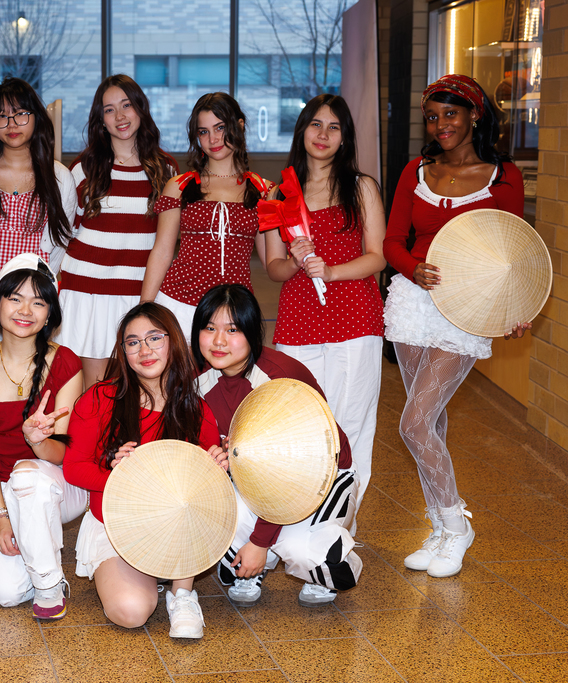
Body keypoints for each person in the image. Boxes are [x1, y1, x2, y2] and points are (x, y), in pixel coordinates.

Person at [383, 74, 529, 578]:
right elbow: (392, 242)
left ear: (474, 116)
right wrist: (410, 269)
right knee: (434, 422)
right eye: (432, 116)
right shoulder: (416, 171)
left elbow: (515, 253)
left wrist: (515, 309)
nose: (440, 125)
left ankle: (456, 524)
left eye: (450, 114)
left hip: (465, 310)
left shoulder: (504, 177)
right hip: (411, 304)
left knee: (414, 423)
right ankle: (439, 530)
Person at [63, 302, 227, 638]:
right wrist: (119, 476)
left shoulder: (195, 408)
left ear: (174, 342)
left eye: (154, 338)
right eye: (133, 342)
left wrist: (217, 468)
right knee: (131, 611)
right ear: (123, 352)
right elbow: (73, 469)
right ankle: (152, 578)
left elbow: (205, 485)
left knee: (190, 504)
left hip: (176, 527)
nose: (145, 350)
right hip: (117, 524)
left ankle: (182, 593)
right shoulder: (99, 399)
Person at [192, 284, 361, 608]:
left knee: (304, 551)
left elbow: (292, 475)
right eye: (209, 328)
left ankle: (325, 560)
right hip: (252, 478)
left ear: (254, 332)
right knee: (209, 508)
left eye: (232, 329)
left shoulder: (280, 378)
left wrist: (259, 542)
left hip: (319, 478)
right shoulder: (198, 379)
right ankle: (257, 560)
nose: (218, 341)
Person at [263, 94, 386, 522]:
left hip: (355, 316)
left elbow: (378, 256)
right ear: (301, 130)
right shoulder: (280, 194)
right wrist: (296, 259)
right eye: (316, 124)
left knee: (349, 425)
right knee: (300, 425)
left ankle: (337, 531)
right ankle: (295, 521)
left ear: (344, 138)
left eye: (334, 127)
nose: (323, 134)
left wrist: (330, 272)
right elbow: (273, 268)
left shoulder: (361, 187)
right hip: (298, 320)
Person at [0, 255, 86, 619]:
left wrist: (35, 441)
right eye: (15, 298)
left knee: (28, 474)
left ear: (50, 314)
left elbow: (62, 454)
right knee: (5, 593)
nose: (25, 309)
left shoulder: (66, 362)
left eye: (38, 301)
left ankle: (49, 584)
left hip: (55, 482)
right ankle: (35, 545)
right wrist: (0, 515)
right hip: (2, 489)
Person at [57, 75, 178, 388]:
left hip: (139, 294)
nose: (120, 116)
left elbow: (166, 243)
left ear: (140, 108)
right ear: (101, 120)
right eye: (110, 110)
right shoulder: (85, 167)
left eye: (126, 105)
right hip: (87, 293)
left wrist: (147, 301)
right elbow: (67, 230)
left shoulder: (166, 170)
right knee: (94, 393)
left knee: (142, 390)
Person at [141, 92, 268, 335]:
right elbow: (162, 252)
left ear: (239, 126)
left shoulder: (263, 190)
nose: (213, 138)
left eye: (220, 127)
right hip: (179, 304)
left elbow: (270, 262)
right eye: (203, 131)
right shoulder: (180, 186)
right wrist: (145, 308)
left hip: (235, 309)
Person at [0, 78, 76, 286]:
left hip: (32, 293)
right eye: (1, 116)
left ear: (36, 117)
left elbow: (59, 245)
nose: (12, 124)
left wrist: (40, 288)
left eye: (20, 114)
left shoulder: (59, 177)